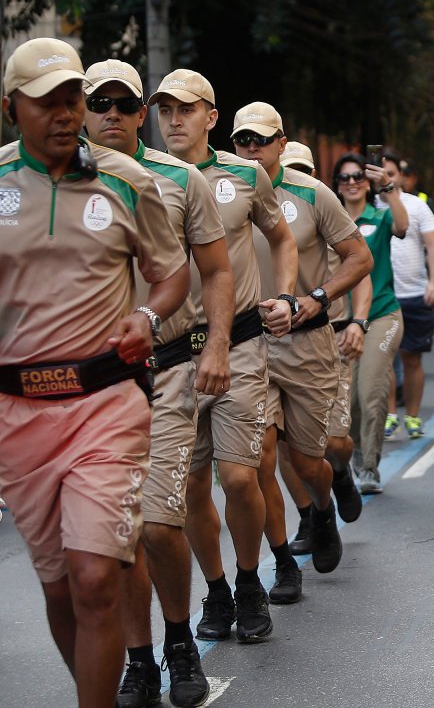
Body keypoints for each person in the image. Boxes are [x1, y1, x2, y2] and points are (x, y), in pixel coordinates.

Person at [0, 38, 189, 708]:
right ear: (10, 107)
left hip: (106, 399)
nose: (64, 112)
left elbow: (171, 274)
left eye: (71, 98)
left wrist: (146, 314)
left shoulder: (126, 180)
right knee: (58, 587)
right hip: (18, 412)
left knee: (93, 576)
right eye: (45, 100)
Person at [82, 58, 234, 708]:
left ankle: (179, 638)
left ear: (140, 114)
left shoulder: (180, 180)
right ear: (82, 110)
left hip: (169, 372)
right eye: (99, 102)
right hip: (89, 390)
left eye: (124, 103)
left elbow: (218, 271)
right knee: (111, 541)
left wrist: (220, 342)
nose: (111, 113)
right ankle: (139, 658)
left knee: (155, 527)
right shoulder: (54, 184)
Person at [149, 69, 298, 645]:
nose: (174, 120)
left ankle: (248, 579)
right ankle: (216, 587)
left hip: (237, 343)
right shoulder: (141, 179)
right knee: (188, 489)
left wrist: (284, 295)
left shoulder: (243, 174)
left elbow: (281, 237)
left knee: (239, 476)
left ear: (212, 117)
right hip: (170, 357)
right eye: (165, 110)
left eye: (187, 109)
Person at [234, 102, 372, 604]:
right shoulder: (223, 193)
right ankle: (283, 565)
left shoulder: (313, 194)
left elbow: (361, 258)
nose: (252, 148)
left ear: (279, 142)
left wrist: (318, 300)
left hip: (308, 340)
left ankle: (322, 503)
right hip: (249, 344)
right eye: (243, 140)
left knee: (312, 455)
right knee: (260, 458)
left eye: (261, 140)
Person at [332, 151, 409, 494]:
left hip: (382, 315)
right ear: (336, 184)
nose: (352, 183)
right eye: (345, 178)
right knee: (347, 401)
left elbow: (403, 226)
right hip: (342, 322)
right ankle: (356, 456)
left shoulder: (379, 218)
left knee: (370, 390)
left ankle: (369, 468)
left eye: (358, 177)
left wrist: (388, 186)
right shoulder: (328, 222)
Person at [383, 149, 434, 440]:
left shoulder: (417, 207)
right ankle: (390, 414)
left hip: (414, 294)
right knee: (385, 359)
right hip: (382, 297)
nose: (386, 178)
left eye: (391, 174)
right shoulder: (369, 207)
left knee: (411, 359)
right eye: (381, 173)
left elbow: (433, 245)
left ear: (401, 177)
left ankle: (414, 417)